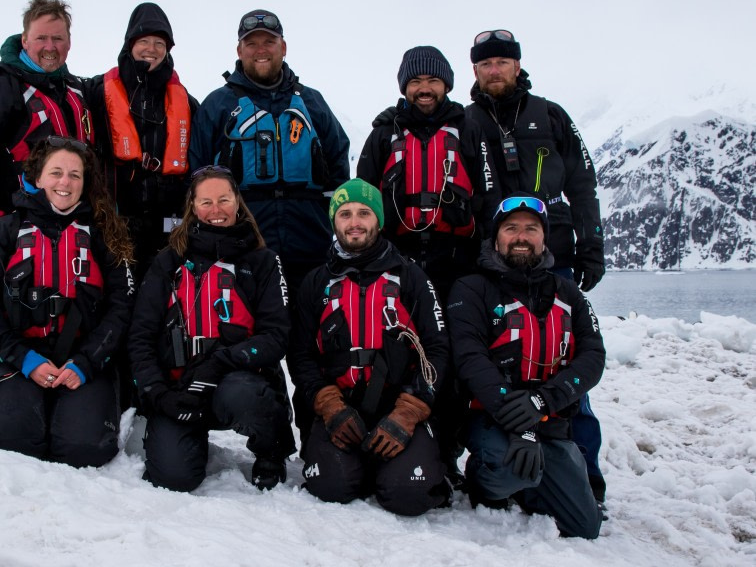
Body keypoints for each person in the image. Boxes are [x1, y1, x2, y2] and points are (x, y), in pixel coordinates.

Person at [466, 29, 607, 503]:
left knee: (564, 363)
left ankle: (585, 476)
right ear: (475, 71)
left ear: (518, 66)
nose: (495, 70)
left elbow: (583, 183)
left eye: (503, 62)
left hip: (554, 257)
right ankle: (491, 455)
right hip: (490, 261)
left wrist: (591, 243)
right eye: (486, 64)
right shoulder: (466, 121)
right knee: (494, 358)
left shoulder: (551, 116)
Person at [0, 0, 94, 403]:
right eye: (42, 38)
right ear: (25, 40)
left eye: (59, 39)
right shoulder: (2, 88)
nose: (50, 47)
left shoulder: (75, 92)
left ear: (69, 42)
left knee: (67, 316)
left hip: (69, 228)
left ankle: (65, 406)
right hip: (13, 229)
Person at [0, 137, 135, 468]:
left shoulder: (105, 235)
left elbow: (122, 308)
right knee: (7, 445)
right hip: (16, 360)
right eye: (56, 172)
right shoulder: (5, 231)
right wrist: (25, 360)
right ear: (38, 177)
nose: (65, 182)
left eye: (75, 175)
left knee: (84, 450)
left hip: (83, 363)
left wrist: (86, 363)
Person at [288, 179, 450, 516]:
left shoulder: (411, 277)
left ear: (378, 219)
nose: (355, 222)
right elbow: (300, 354)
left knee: (408, 495)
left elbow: (437, 349)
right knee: (332, 489)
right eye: (345, 214)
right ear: (334, 221)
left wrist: (409, 411)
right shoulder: (315, 282)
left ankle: (407, 463)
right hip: (340, 409)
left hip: (398, 408)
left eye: (364, 212)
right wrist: (327, 403)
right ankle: (356, 465)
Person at [128, 166, 295, 492]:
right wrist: (159, 395)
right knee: (172, 478)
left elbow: (276, 336)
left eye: (223, 199)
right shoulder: (167, 262)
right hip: (179, 389)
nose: (215, 210)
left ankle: (271, 450)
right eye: (205, 202)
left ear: (238, 202)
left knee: (245, 393)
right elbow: (140, 336)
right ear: (191, 206)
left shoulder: (263, 261)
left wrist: (221, 361)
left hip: (234, 379)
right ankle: (181, 440)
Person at [447, 195, 605, 538]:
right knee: (510, 472)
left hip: (550, 417)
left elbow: (593, 357)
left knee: (584, 526)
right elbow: (470, 359)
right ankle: (485, 478)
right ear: (496, 237)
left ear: (544, 237)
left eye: (531, 229)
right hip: (492, 417)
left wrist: (544, 401)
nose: (521, 236)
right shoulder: (472, 289)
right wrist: (520, 424)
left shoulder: (569, 293)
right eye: (511, 228)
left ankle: (535, 480)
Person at [188, 9, 350, 298]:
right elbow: (196, 171)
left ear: (283, 48)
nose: (260, 50)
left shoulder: (312, 102)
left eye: (269, 42)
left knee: (309, 327)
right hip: (243, 244)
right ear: (239, 50)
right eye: (251, 43)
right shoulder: (218, 105)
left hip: (309, 242)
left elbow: (339, 162)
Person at [357, 45, 489, 300]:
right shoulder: (384, 132)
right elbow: (363, 195)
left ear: (447, 86)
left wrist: (486, 252)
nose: (425, 89)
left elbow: (489, 193)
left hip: (458, 258)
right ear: (405, 87)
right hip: (396, 256)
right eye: (416, 81)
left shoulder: (468, 130)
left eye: (433, 81)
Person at [85, 2, 199, 274]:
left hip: (167, 231)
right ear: (129, 44)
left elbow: (201, 163)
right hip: (112, 224)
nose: (151, 49)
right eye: (143, 40)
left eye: (159, 43)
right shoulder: (95, 92)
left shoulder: (189, 103)